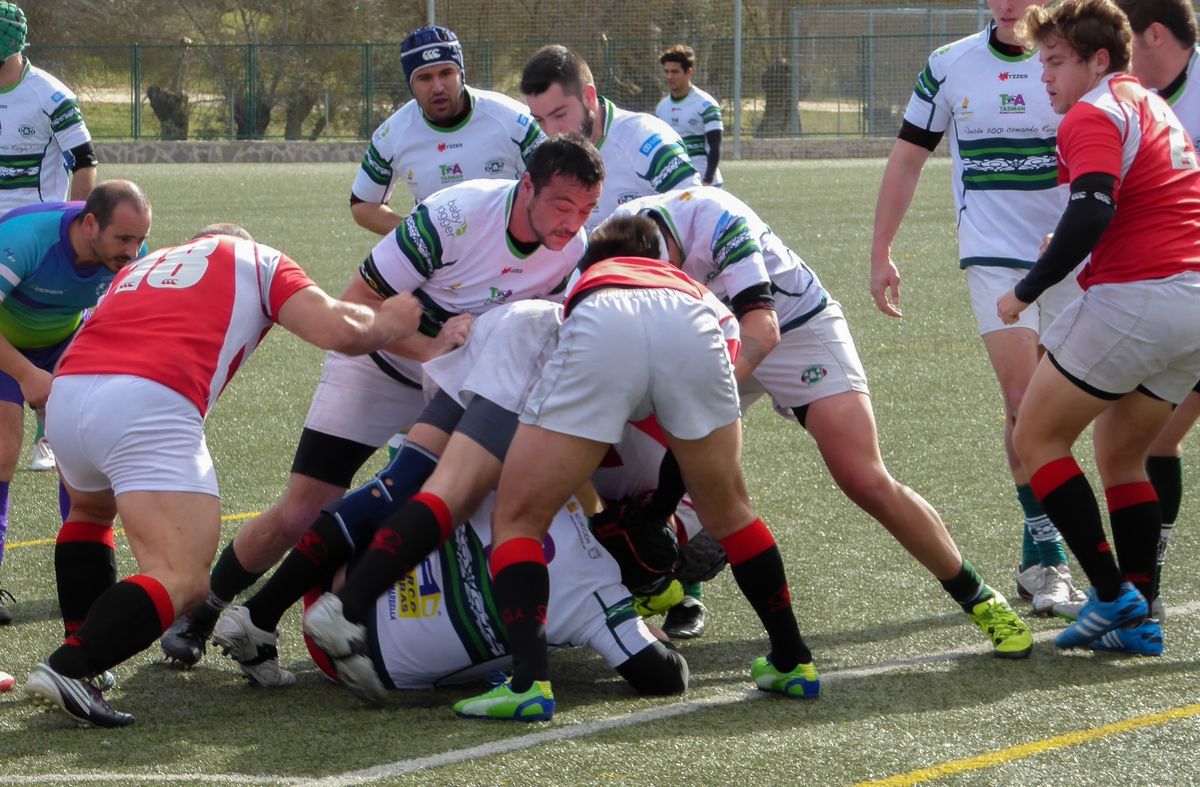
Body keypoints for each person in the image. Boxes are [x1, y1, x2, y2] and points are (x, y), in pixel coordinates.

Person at [160, 134, 604, 667]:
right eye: (562, 205)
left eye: (587, 210)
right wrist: (430, 347)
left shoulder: (573, 251)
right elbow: (356, 304)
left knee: (444, 499)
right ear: (526, 184)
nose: (573, 222)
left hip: (452, 385)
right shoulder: (454, 215)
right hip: (375, 364)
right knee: (305, 507)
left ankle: (348, 621)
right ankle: (204, 611)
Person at [412, 216, 821, 721]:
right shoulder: (693, 287)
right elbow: (707, 392)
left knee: (519, 517)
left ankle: (528, 684)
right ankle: (793, 659)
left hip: (604, 318)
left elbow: (549, 365)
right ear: (661, 260)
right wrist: (661, 511)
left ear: (589, 262)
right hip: (697, 322)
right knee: (733, 514)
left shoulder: (583, 285)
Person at [22, 225, 423, 728]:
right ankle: (71, 668)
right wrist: (390, 322)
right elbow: (338, 330)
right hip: (146, 399)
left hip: (70, 392)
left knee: (89, 511)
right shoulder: (255, 258)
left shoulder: (145, 265)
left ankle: (85, 654)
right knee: (185, 578)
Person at [612, 187, 1033, 657]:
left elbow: (763, 329)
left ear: (669, 251)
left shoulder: (715, 218)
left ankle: (979, 597)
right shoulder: (610, 240)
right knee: (636, 456)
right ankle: (630, 594)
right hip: (707, 335)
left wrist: (700, 401)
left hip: (792, 327)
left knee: (863, 478)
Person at [209, 300, 687, 702]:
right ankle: (295, 613)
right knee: (427, 491)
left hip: (501, 343)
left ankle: (264, 611)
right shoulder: (598, 595)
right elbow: (664, 677)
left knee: (405, 487)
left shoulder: (549, 492)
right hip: (382, 663)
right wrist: (632, 624)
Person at [869, 0, 1088, 615]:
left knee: (1059, 413)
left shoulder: (1077, 58)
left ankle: (1033, 556)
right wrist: (881, 249)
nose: (1008, 3)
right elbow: (909, 156)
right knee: (1023, 402)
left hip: (1074, 252)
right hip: (993, 257)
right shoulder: (949, 64)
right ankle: (1051, 560)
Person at [997, 0, 1200, 656]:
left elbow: (1092, 206)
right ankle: (1137, 612)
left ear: (1099, 59)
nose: (1044, 77)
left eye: (1055, 61)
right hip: (1193, 302)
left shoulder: (1093, 111)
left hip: (1144, 293)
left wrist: (1024, 290)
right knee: (1120, 450)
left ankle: (1111, 592)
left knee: (1035, 436)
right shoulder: (1145, 101)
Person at [1092, 0, 1200, 625]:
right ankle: (1146, 587)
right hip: (1183, 293)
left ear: (1153, 34)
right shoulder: (1140, 101)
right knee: (1155, 436)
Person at [0, 181, 150, 627]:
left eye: (140, 239)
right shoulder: (24, 239)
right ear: (90, 225)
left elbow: (116, 322)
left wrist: (69, 369)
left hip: (65, 341)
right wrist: (26, 374)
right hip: (6, 346)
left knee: (80, 452)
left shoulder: (130, 258)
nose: (134, 250)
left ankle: (87, 582)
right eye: (124, 239)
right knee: (4, 448)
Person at [0, 2, 100, 474]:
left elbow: (84, 163)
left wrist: (74, 227)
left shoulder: (51, 96)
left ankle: (49, 434)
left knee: (50, 329)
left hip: (35, 241)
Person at [349, 24, 546, 235]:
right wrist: (419, 235)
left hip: (510, 255)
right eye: (424, 78)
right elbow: (363, 204)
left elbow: (557, 186)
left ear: (461, 73)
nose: (438, 87)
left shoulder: (514, 120)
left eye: (446, 73)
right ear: (410, 83)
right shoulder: (391, 135)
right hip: (439, 264)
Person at [520, 45, 700, 232]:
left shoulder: (646, 139)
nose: (551, 131)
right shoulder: (545, 153)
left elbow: (696, 207)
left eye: (559, 115)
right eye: (539, 120)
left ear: (589, 97)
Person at [655, 44, 723, 188]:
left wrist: (708, 180)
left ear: (688, 72)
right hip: (675, 185)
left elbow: (714, 146)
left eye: (675, 71)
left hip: (704, 183)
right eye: (666, 71)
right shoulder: (662, 108)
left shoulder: (706, 104)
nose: (669, 76)